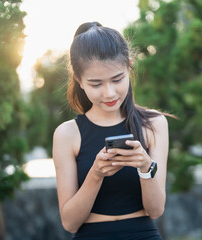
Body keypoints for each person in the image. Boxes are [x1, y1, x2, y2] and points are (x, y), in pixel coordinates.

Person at [52, 22, 171, 240]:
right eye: (96, 84)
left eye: (117, 80)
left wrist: (145, 167)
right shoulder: (67, 134)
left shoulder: (154, 124)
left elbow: (156, 210)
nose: (109, 93)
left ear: (129, 68)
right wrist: (96, 174)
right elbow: (69, 223)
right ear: (79, 80)